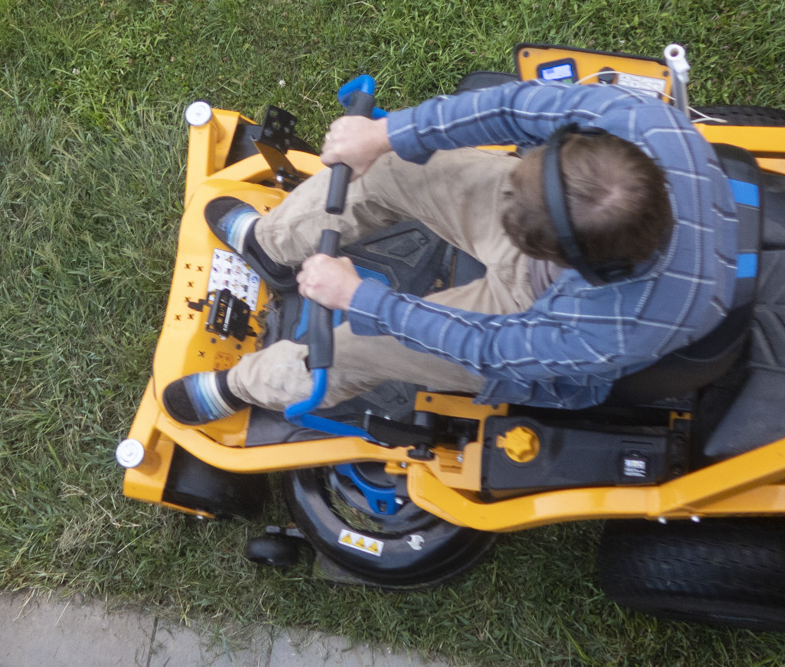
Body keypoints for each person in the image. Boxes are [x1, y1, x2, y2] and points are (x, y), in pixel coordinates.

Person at [161, 78, 740, 425]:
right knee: (388, 168)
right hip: (568, 246)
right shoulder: (644, 124)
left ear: (574, 264)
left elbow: (488, 346)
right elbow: (513, 105)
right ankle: (270, 246)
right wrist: (386, 136)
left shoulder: (607, 328)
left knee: (353, 348)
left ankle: (243, 385)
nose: (505, 187)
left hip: (531, 318)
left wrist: (362, 299)